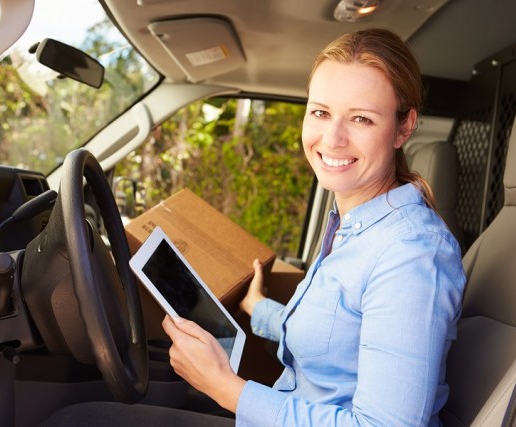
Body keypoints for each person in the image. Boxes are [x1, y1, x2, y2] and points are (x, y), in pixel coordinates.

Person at [45, 28, 465, 427]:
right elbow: (339, 335)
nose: (332, 138)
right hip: (285, 405)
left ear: (404, 127)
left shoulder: (412, 253)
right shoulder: (352, 223)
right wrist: (258, 307)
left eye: (361, 119)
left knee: (74, 420)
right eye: (320, 112)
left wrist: (228, 389)